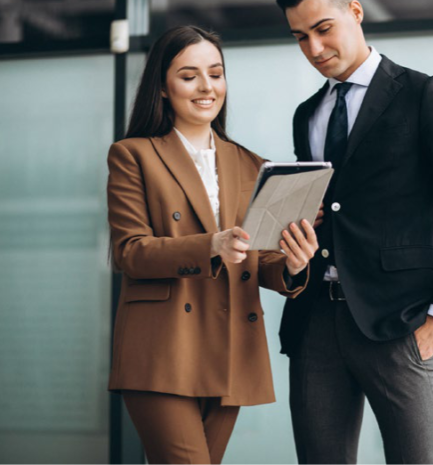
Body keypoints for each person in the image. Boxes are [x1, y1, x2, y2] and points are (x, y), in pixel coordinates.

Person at [276, 0, 433, 465]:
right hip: (315, 324)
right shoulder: (306, 115)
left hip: (401, 324)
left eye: (323, 29)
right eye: (299, 37)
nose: (313, 48)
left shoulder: (423, 94)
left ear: (355, 11)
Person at [106, 25, 317, 465]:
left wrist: (293, 265)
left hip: (230, 346)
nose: (207, 87)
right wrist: (211, 245)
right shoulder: (133, 155)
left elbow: (261, 259)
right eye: (189, 76)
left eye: (216, 74)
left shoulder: (252, 164)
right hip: (164, 350)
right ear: (162, 88)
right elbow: (131, 252)